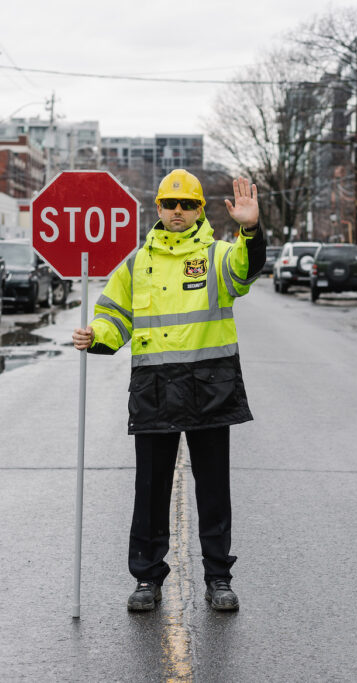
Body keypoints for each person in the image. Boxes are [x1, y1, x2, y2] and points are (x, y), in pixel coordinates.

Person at [71, 169, 265, 612]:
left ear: (200, 210)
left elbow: (247, 269)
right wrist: (95, 336)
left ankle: (218, 578)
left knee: (213, 492)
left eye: (188, 205)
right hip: (155, 389)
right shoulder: (136, 264)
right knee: (151, 490)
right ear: (157, 208)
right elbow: (113, 318)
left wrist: (251, 229)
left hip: (210, 387)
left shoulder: (219, 255)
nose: (178, 212)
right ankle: (147, 578)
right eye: (170, 204)